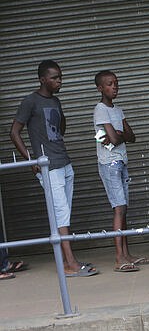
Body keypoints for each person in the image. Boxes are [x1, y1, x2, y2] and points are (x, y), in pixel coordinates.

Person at [10, 60, 98, 277]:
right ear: (42, 79)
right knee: (60, 213)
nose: (59, 81)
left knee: (64, 213)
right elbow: (14, 132)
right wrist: (31, 160)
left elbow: (60, 129)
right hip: (49, 166)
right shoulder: (30, 101)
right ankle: (70, 264)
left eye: (60, 77)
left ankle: (68, 260)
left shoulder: (56, 101)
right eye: (55, 77)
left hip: (64, 162)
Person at [94, 70, 149, 272]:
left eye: (116, 83)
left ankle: (127, 254)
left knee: (123, 208)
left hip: (121, 162)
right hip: (109, 164)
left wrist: (118, 134)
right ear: (100, 88)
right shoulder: (100, 110)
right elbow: (115, 138)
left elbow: (131, 136)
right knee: (119, 208)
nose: (114, 87)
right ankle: (119, 258)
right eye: (109, 84)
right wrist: (118, 134)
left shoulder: (118, 110)